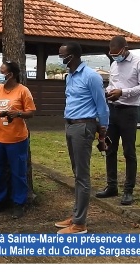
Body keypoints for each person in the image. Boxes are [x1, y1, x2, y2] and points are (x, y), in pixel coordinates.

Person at [54, 43, 109, 235]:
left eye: (63, 56)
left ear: (74, 56)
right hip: (70, 125)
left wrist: (103, 133)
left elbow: (102, 106)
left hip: (83, 126)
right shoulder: (70, 76)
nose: (61, 59)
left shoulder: (91, 77)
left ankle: (79, 224)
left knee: (82, 176)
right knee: (77, 173)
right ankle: (76, 215)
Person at [0, 60, 36, 219]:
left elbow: (31, 112)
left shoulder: (23, 91)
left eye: (2, 71)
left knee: (18, 172)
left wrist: (17, 113)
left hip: (16, 140)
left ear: (11, 75)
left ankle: (19, 203)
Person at [99, 36, 140, 206]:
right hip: (112, 110)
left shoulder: (139, 63)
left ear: (125, 48)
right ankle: (111, 186)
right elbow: (112, 84)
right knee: (109, 149)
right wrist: (109, 91)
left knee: (129, 151)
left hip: (129, 112)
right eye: (111, 54)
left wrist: (123, 92)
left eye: (117, 53)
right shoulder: (114, 64)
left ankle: (128, 190)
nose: (114, 56)